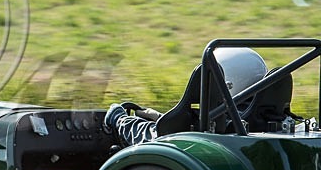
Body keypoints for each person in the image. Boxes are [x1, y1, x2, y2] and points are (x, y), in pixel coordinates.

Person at [105, 48, 268, 148]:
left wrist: (119, 119)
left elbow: (156, 137)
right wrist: (158, 117)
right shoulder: (264, 119)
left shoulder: (213, 121)